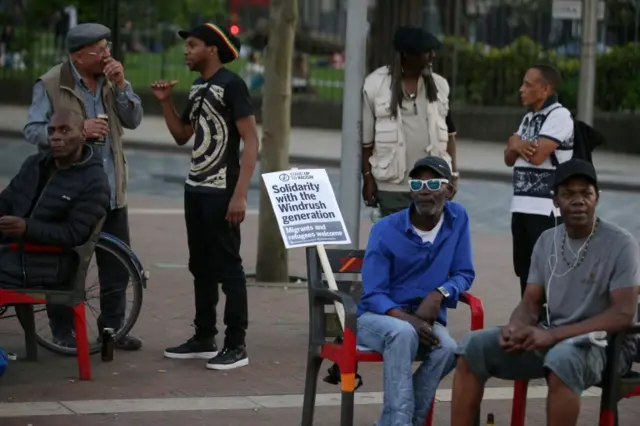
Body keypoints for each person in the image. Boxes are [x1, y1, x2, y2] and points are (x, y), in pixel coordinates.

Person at [451, 159, 640, 426]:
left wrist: (551, 334)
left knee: (563, 360)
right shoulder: (546, 241)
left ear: (597, 197)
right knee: (473, 347)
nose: (578, 201)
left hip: (606, 345)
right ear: (555, 200)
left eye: (586, 193)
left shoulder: (621, 244)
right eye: (568, 193)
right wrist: (514, 328)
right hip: (554, 336)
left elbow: (624, 313)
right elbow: (530, 302)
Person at [23, 23, 144, 350]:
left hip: (110, 187)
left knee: (116, 265)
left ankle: (112, 329)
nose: (107, 54)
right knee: (65, 264)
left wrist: (121, 86)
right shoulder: (51, 83)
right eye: (100, 50)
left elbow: (134, 120)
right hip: (70, 194)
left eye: (107, 47)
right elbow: (33, 130)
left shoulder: (110, 81)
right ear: (78, 56)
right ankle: (63, 332)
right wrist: (78, 131)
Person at [150, 23, 259, 370]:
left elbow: (251, 140)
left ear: (212, 49)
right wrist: (166, 103)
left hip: (221, 190)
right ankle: (203, 337)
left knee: (229, 267)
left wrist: (239, 195)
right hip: (195, 187)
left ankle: (236, 344)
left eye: (193, 45)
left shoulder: (232, 85)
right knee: (200, 266)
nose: (186, 51)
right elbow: (183, 135)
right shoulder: (198, 87)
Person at [358, 156, 474, 426]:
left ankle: (399, 420)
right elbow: (373, 293)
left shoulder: (458, 219)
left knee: (447, 348)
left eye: (433, 182)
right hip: (377, 318)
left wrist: (440, 293)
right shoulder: (385, 229)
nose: (424, 188)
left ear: (449, 190)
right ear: (410, 190)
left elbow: (464, 273)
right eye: (417, 182)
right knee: (402, 332)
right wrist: (407, 318)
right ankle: (400, 423)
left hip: (425, 321)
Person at [0, 110, 110, 292]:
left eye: (65, 130)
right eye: (51, 131)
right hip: (14, 251)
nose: (56, 137)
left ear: (83, 135)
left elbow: (74, 234)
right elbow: (7, 199)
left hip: (52, 264)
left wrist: (27, 227)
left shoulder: (94, 181)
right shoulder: (35, 164)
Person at [361, 25, 459, 218]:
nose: (432, 55)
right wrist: (367, 179)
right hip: (392, 188)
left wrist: (453, 176)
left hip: (432, 186)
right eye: (426, 51)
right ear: (407, 54)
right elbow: (366, 143)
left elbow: (450, 136)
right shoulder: (376, 85)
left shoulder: (440, 86)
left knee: (427, 243)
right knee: (395, 243)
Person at [504, 64, 574, 296]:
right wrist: (516, 145)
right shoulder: (528, 118)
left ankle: (548, 326)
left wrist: (516, 143)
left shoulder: (559, 115)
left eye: (528, 84)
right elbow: (508, 158)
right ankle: (528, 324)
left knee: (545, 275)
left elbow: (537, 156)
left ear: (545, 89)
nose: (521, 89)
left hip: (545, 211)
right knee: (525, 273)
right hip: (521, 207)